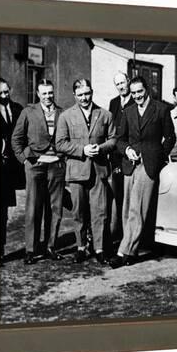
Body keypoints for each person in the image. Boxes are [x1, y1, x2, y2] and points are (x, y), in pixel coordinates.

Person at [109, 76, 176, 268]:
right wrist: (127, 150)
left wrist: (158, 156)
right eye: (134, 92)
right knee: (126, 208)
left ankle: (124, 251)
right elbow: (120, 139)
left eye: (140, 91)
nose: (137, 95)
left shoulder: (161, 109)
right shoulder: (128, 111)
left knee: (136, 208)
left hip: (149, 166)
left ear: (146, 89)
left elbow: (170, 138)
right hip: (130, 165)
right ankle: (131, 247)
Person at [56, 79, 116, 264]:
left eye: (87, 93)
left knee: (100, 211)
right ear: (75, 95)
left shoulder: (105, 114)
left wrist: (101, 148)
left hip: (99, 170)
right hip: (77, 171)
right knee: (79, 212)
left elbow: (114, 139)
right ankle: (81, 247)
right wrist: (82, 150)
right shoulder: (66, 116)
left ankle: (99, 249)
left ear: (92, 92)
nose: (84, 97)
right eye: (80, 94)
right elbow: (60, 144)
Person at [11, 79, 65, 265]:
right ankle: (31, 250)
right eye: (44, 93)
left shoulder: (62, 113)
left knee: (55, 209)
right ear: (38, 94)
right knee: (33, 208)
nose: (48, 96)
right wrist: (24, 159)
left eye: (50, 93)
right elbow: (16, 139)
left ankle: (51, 247)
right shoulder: (28, 112)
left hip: (56, 167)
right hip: (35, 166)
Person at [0, 78, 24, 266]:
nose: (5, 96)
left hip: (14, 168)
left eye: (7, 92)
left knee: (4, 212)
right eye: (0, 93)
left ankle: (0, 248)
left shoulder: (17, 108)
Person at [108, 72, 135, 245]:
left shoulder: (137, 101)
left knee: (131, 197)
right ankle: (118, 234)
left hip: (131, 154)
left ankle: (130, 234)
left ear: (128, 82)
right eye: (117, 84)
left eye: (123, 83)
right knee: (118, 195)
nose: (121, 86)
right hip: (116, 156)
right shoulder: (114, 103)